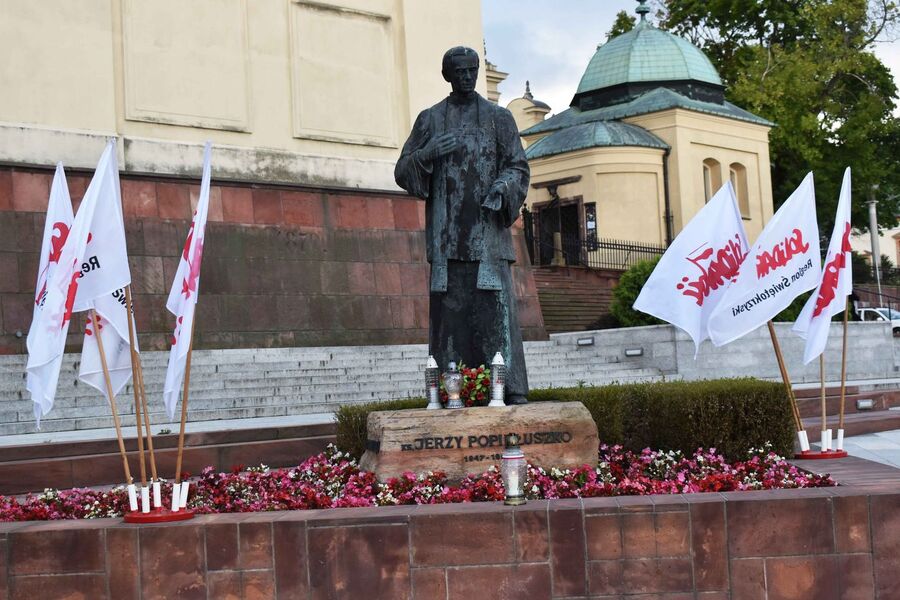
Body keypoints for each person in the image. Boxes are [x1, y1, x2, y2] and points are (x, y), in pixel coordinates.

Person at [395, 46, 531, 404]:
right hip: (447, 242)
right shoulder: (431, 120)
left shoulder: (499, 118)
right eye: (460, 71)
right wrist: (427, 155)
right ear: (448, 75)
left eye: (472, 70)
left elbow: (517, 165)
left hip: (487, 238)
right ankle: (451, 393)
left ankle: (509, 389)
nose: (467, 76)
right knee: (450, 323)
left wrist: (503, 190)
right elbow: (402, 171)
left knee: (495, 318)